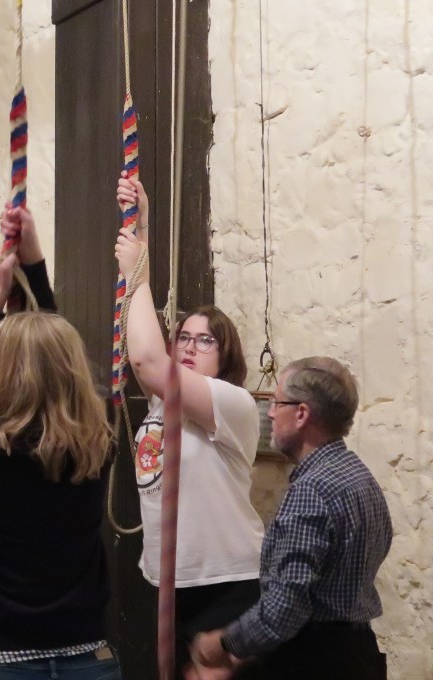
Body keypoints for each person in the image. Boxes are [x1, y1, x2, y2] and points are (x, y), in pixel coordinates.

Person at [0, 205, 120, 679]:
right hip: (89, 657)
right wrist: (35, 262)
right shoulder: (98, 442)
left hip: (0, 662)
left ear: (0, 372)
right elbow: (51, 348)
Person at [114, 173, 264, 673]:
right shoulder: (162, 408)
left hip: (224, 577)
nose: (189, 347)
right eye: (183, 337)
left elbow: (147, 361)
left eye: (205, 341)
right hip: (166, 578)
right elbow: (153, 354)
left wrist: (136, 271)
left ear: (226, 356)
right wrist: (143, 223)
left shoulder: (231, 404)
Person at [187, 357, 392, 680]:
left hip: (316, 661)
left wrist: (224, 643)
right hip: (357, 654)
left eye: (276, 403)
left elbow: (285, 610)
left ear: (301, 414)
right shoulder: (360, 476)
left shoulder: (312, 491)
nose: (269, 412)